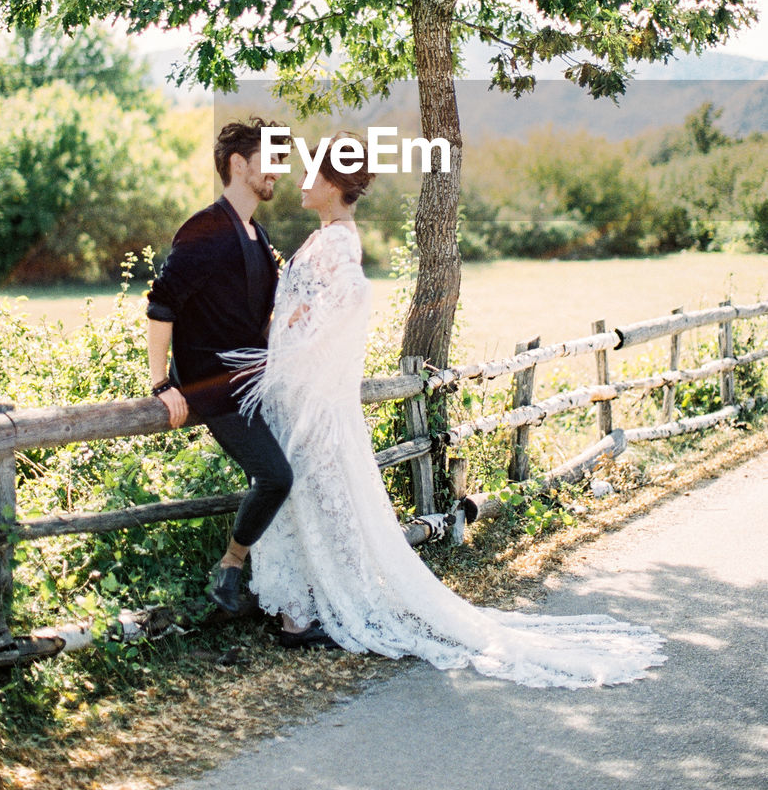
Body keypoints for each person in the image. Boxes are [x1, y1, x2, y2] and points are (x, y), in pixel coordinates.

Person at [238, 134, 666, 686]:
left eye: (311, 175)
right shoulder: (327, 239)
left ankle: (305, 613)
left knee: (317, 494)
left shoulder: (337, 245)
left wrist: (289, 348)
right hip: (300, 398)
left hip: (311, 400)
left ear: (335, 184)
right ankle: (298, 614)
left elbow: (331, 312)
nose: (301, 182)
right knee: (310, 496)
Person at [146, 117, 293, 615]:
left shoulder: (255, 232)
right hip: (213, 385)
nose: (280, 169)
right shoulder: (206, 228)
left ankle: (275, 593)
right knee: (275, 477)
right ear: (238, 164)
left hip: (252, 381)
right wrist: (162, 383)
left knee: (285, 475)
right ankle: (230, 567)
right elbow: (161, 305)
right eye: (271, 158)